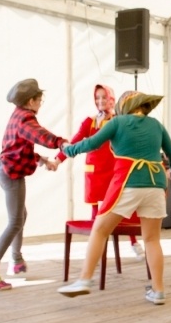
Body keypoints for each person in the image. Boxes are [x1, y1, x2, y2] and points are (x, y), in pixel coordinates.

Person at [57, 91, 171, 305]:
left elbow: (91, 144)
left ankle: (85, 280)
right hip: (156, 184)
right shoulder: (156, 125)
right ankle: (158, 291)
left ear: (124, 107)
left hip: (129, 182)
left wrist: (68, 150)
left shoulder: (118, 122)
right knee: (152, 240)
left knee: (100, 229)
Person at [0, 78, 66, 290]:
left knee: (20, 217)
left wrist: (41, 159)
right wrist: (61, 142)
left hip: (9, 171)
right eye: (40, 100)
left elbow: (17, 148)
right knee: (15, 221)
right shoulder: (26, 119)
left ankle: (16, 261)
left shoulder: (18, 116)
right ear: (31, 101)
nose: (41, 104)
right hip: (11, 174)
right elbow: (41, 135)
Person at [55, 84, 144, 260]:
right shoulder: (89, 122)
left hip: (115, 172)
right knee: (96, 214)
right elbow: (75, 142)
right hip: (95, 174)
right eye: (97, 98)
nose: (101, 101)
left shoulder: (120, 120)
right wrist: (57, 160)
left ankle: (134, 242)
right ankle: (96, 252)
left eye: (104, 97)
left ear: (112, 99)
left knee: (122, 208)